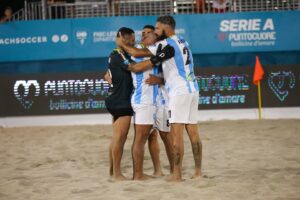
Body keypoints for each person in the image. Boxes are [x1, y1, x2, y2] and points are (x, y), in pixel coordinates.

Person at [117, 15, 202, 182]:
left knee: (175, 135)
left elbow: (137, 52)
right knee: (193, 133)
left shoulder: (165, 44)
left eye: (157, 28)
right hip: (193, 89)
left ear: (167, 27)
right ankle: (198, 172)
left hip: (179, 92)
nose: (155, 32)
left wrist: (122, 45)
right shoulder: (183, 41)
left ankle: (176, 175)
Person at [130, 25, 173, 179]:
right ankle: (150, 171)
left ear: (154, 36)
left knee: (167, 136)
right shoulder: (139, 51)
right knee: (147, 136)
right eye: (142, 34)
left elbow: (171, 75)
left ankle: (172, 170)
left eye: (147, 33)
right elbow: (135, 67)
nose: (144, 36)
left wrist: (160, 79)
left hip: (161, 101)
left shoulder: (159, 51)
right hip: (145, 101)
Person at [104, 27, 135, 181]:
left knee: (116, 137)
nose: (133, 43)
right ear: (122, 37)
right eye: (131, 39)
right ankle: (117, 173)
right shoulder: (119, 54)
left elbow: (107, 75)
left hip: (115, 98)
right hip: (121, 101)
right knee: (120, 138)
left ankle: (112, 170)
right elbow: (134, 67)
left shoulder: (115, 54)